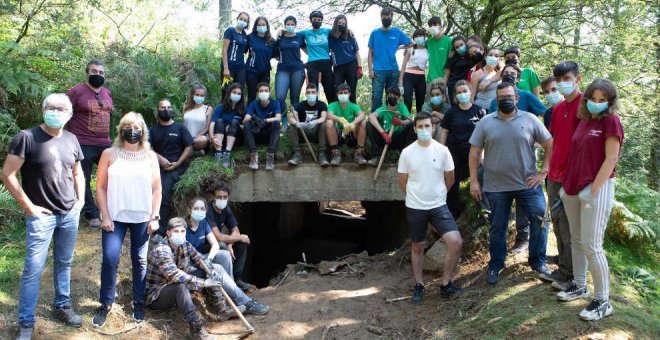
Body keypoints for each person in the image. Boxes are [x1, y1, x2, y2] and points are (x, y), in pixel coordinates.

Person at [3, 94, 84, 339]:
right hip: (41, 217)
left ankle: (63, 306)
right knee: (33, 268)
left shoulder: (71, 139)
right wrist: (29, 207)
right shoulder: (26, 138)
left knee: (64, 262)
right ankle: (26, 322)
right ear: (43, 109)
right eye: (52, 107)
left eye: (62, 109)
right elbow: (7, 174)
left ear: (70, 114)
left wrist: (80, 202)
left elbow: (77, 172)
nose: (56, 112)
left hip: (69, 214)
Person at [468, 82, 553, 285]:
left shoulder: (531, 119)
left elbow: (549, 143)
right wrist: (474, 181)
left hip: (528, 184)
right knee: (498, 227)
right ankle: (496, 264)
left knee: (541, 218)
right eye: (501, 98)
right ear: (496, 101)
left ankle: (537, 261)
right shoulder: (486, 122)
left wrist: (544, 171)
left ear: (516, 98)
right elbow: (474, 152)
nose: (505, 100)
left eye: (509, 97)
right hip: (496, 186)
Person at [556, 78, 623, 321]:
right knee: (577, 240)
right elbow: (575, 156)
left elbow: (610, 160)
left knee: (593, 245)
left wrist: (593, 190)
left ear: (610, 102)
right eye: (593, 99)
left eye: (602, 100)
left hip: (598, 187)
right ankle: (580, 285)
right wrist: (566, 188)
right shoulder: (585, 121)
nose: (596, 103)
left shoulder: (611, 122)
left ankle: (603, 300)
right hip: (573, 187)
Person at [93, 112, 162, 327]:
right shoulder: (109, 154)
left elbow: (157, 188)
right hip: (115, 216)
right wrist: (104, 214)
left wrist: (154, 216)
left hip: (142, 217)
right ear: (121, 129)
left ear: (143, 131)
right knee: (110, 259)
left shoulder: (150, 156)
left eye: (137, 127)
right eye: (128, 126)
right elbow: (101, 187)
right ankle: (105, 304)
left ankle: (138, 303)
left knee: (140, 261)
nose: (132, 130)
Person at [398, 113, 464, 304]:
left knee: (455, 241)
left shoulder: (442, 150)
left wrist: (440, 193)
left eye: (427, 126)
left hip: (438, 205)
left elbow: (450, 178)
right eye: (420, 127)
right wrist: (415, 195)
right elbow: (402, 181)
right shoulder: (407, 153)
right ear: (414, 129)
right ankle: (419, 284)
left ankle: (446, 284)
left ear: (433, 128)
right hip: (415, 206)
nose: (424, 130)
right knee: (418, 245)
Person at [146, 218, 241, 340]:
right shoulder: (161, 250)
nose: (180, 234)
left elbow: (199, 260)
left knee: (206, 272)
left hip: (178, 286)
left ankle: (221, 308)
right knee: (180, 286)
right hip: (158, 295)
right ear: (168, 233)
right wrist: (204, 283)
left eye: (182, 231)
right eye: (176, 231)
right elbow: (175, 275)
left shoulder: (185, 244)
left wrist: (211, 271)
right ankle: (196, 329)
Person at [488, 64, 547, 253]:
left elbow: (546, 115)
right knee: (499, 219)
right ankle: (497, 259)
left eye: (513, 75)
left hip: (525, 163)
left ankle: (524, 238)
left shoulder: (527, 99)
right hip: (499, 169)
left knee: (531, 209)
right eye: (505, 74)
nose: (509, 77)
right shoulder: (492, 103)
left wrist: (543, 169)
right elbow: (488, 129)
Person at [182, 201, 270, 313]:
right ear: (190, 210)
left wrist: (209, 259)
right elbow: (187, 254)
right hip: (190, 263)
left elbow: (215, 244)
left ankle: (232, 295)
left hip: (202, 259)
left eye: (202, 209)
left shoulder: (203, 223)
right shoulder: (183, 227)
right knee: (217, 268)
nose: (199, 211)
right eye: (196, 208)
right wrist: (205, 262)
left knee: (224, 254)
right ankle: (245, 302)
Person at [546, 61, 582, 289]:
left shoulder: (586, 107)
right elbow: (553, 142)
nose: (561, 84)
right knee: (557, 224)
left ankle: (572, 275)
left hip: (574, 178)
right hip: (554, 175)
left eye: (566, 79)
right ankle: (563, 268)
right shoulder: (558, 109)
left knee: (570, 227)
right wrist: (547, 169)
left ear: (578, 79)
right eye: (558, 80)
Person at [66, 60, 113, 229]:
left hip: (105, 143)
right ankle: (91, 213)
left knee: (114, 175)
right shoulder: (75, 92)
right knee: (82, 179)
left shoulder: (107, 93)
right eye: (94, 71)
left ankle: (110, 209)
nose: (98, 75)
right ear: (87, 73)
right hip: (81, 142)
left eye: (101, 72)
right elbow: (64, 113)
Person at [439, 81, 486, 219]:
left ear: (471, 91)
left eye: (464, 91)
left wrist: (483, 154)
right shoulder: (451, 112)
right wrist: (442, 152)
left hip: (475, 152)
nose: (462, 94)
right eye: (458, 92)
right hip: (454, 152)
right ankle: (453, 213)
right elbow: (444, 132)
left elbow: (486, 136)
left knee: (479, 179)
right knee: (452, 182)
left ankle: (480, 212)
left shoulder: (480, 111)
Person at [150, 99, 194, 231]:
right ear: (157, 110)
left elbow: (189, 147)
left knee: (163, 192)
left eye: (169, 107)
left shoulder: (180, 128)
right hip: (157, 167)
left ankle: (161, 230)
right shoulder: (152, 130)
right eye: (163, 108)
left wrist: (178, 162)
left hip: (177, 167)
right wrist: (160, 158)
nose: (166, 110)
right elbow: (147, 148)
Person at [206, 182, 255, 292]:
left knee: (242, 243)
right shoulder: (208, 211)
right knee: (222, 245)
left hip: (218, 243)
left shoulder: (226, 209)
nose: (222, 199)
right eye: (219, 197)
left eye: (225, 197)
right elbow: (217, 237)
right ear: (213, 197)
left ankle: (236, 279)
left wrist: (231, 244)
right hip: (206, 246)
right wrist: (236, 239)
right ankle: (227, 282)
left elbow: (236, 230)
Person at [367, 7, 412, 112]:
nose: (386, 19)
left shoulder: (397, 32)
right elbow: (370, 52)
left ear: (392, 18)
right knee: (376, 98)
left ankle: (389, 123)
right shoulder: (375, 33)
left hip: (393, 70)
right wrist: (370, 69)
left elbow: (411, 43)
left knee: (391, 99)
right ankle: (375, 123)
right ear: (381, 17)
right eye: (384, 17)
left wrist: (399, 47)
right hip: (378, 70)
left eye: (388, 17)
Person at [366, 86, 415, 166]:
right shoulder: (382, 109)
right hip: (384, 139)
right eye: (390, 95)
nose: (392, 97)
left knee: (413, 125)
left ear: (398, 98)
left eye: (395, 95)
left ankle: (407, 155)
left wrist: (401, 122)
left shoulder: (402, 107)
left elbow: (410, 121)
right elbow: (371, 117)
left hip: (398, 138)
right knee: (369, 124)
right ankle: (376, 156)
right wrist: (383, 133)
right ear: (387, 97)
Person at [274, 16, 306, 130]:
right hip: (283, 69)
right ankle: (284, 122)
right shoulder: (280, 37)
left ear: (295, 25)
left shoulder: (300, 37)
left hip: (298, 69)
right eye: (288, 23)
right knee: (280, 97)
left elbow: (308, 51)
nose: (290, 25)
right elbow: (275, 52)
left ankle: (294, 123)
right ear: (285, 24)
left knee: (295, 98)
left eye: (292, 24)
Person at [325, 83, 368, 165]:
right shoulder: (332, 105)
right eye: (341, 93)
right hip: (338, 134)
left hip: (351, 133)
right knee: (329, 122)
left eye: (345, 93)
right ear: (337, 94)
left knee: (363, 122)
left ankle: (359, 152)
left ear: (349, 94)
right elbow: (329, 115)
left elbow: (362, 115)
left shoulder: (353, 106)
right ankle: (335, 153)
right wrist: (340, 120)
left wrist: (352, 124)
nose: (343, 94)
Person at [298, 10, 336, 103]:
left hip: (326, 62)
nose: (317, 21)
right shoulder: (306, 32)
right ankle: (315, 112)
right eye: (315, 19)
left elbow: (339, 32)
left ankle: (331, 112)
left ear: (321, 21)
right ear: (311, 20)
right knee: (313, 89)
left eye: (319, 20)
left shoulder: (327, 31)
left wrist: (350, 30)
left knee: (329, 88)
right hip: (312, 63)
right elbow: (291, 35)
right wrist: (281, 31)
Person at [244, 82, 282, 171]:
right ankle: (253, 155)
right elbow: (246, 119)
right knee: (246, 124)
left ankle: (270, 156)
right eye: (261, 91)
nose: (263, 93)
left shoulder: (275, 103)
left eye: (266, 90)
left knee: (276, 123)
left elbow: (278, 118)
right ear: (257, 93)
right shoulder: (253, 104)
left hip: (270, 136)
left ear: (269, 92)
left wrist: (264, 120)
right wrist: (255, 119)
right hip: (257, 133)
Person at [287, 83, 328, 165]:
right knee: (292, 126)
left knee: (323, 124)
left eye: (313, 92)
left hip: (316, 132)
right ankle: (297, 154)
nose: (310, 94)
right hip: (303, 132)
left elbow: (324, 118)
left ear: (316, 93)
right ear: (305, 94)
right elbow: (290, 117)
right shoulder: (301, 105)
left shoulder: (321, 104)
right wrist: (297, 123)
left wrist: (315, 122)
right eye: (308, 92)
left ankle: (322, 154)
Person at [209, 82, 246, 168]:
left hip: (236, 139)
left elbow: (246, 126)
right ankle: (218, 152)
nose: (236, 95)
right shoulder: (220, 107)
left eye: (239, 93)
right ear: (229, 93)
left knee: (234, 122)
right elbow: (212, 124)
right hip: (220, 139)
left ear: (241, 96)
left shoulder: (243, 108)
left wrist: (233, 126)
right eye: (234, 92)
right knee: (219, 121)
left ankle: (227, 153)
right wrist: (212, 138)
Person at [328, 14, 362, 103]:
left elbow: (357, 52)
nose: (341, 25)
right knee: (337, 91)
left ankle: (354, 114)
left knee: (352, 91)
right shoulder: (330, 35)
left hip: (351, 65)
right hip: (338, 66)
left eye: (343, 23)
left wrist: (359, 67)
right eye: (339, 23)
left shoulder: (350, 35)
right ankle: (337, 115)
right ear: (335, 23)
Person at [246, 16, 276, 102]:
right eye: (259, 25)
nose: (261, 26)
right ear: (255, 26)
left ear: (267, 26)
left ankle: (264, 115)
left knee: (264, 96)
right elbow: (242, 50)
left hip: (265, 71)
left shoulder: (272, 41)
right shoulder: (250, 37)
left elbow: (276, 55)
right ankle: (249, 114)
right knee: (252, 95)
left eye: (263, 24)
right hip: (251, 71)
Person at [400, 29, 429, 114]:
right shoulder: (410, 49)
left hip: (421, 77)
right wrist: (400, 82)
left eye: (420, 36)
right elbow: (403, 66)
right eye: (416, 36)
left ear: (424, 37)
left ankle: (419, 122)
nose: (418, 38)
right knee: (407, 101)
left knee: (420, 103)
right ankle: (407, 123)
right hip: (408, 76)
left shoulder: (428, 50)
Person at [183, 84, 213, 155]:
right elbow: (184, 125)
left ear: (204, 96)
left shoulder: (208, 109)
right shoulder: (186, 108)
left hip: (198, 139)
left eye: (202, 95)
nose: (199, 97)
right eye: (197, 94)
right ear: (193, 95)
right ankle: (194, 152)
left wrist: (195, 136)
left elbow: (207, 127)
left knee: (203, 140)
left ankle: (185, 151)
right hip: (186, 137)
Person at [222, 12, 250, 88]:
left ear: (247, 23)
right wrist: (225, 68)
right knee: (227, 91)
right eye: (241, 19)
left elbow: (244, 51)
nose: (242, 21)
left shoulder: (245, 35)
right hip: (229, 66)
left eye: (245, 20)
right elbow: (224, 50)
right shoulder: (230, 31)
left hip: (240, 67)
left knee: (239, 90)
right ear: (237, 19)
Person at [444, 36, 471, 105]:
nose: (460, 48)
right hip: (453, 87)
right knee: (455, 108)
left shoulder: (471, 55)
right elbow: (446, 76)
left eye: (461, 45)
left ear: (465, 43)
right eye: (457, 47)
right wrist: (443, 91)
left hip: (467, 87)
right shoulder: (452, 57)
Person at [426, 16, 453, 82]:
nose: (432, 27)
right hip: (430, 80)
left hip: (444, 80)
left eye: (435, 24)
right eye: (430, 26)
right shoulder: (428, 42)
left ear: (441, 26)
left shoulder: (449, 41)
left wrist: (445, 79)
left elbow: (451, 62)